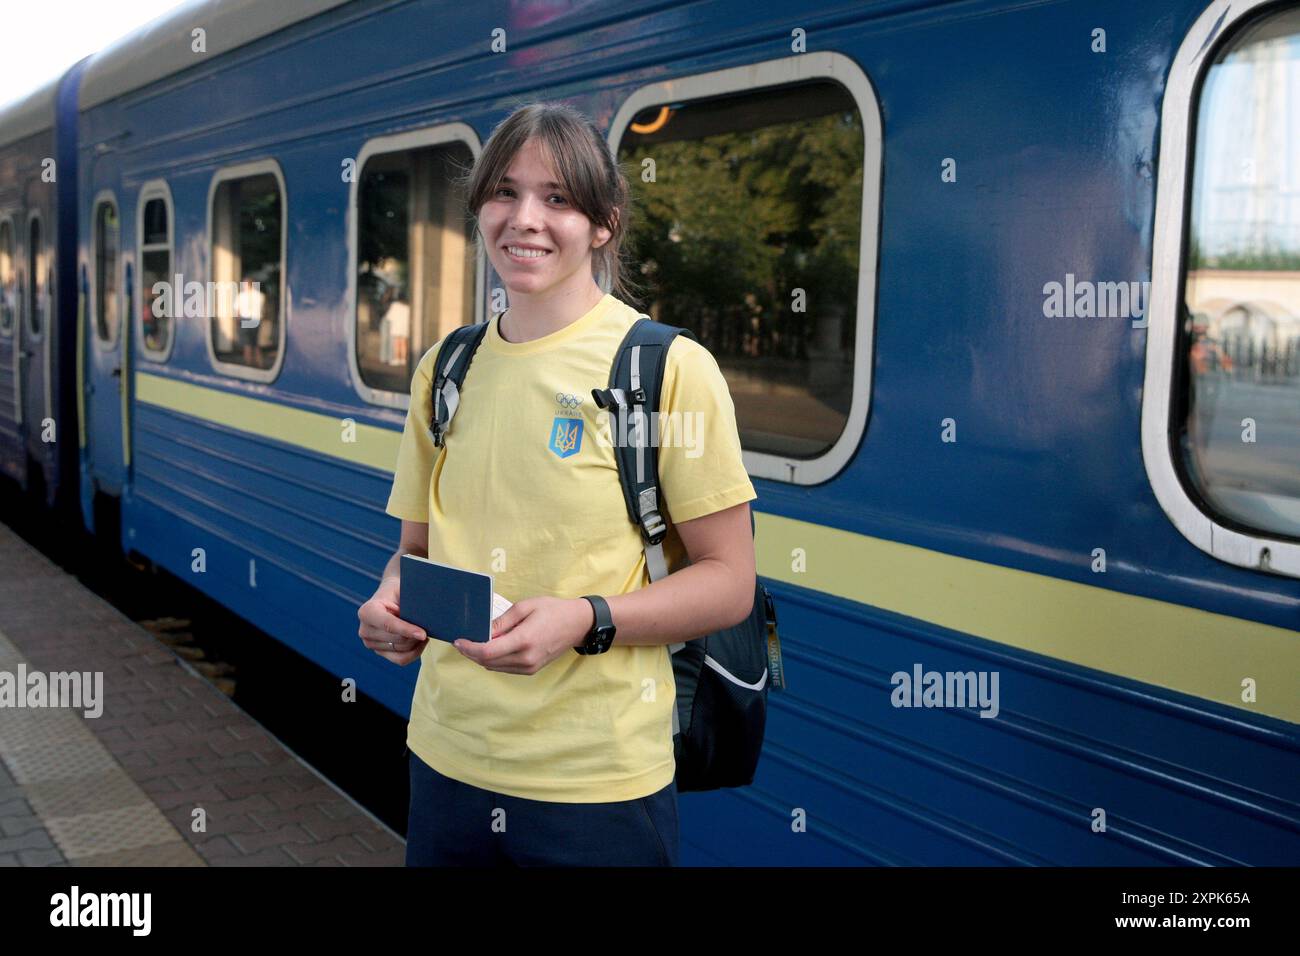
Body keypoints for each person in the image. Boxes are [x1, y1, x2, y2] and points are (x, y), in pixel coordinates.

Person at [357, 101, 758, 867]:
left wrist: (583, 617)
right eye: (503, 192)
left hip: (597, 789)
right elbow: (416, 550)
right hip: (447, 762)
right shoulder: (446, 369)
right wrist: (389, 606)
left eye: (558, 198)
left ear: (602, 223)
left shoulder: (665, 370)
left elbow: (728, 584)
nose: (524, 219)